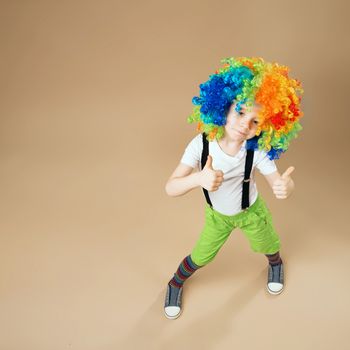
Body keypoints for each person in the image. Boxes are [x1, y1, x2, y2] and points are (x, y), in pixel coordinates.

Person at [163, 57, 304, 320]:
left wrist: (287, 186)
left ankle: (276, 264)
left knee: (269, 243)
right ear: (224, 107)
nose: (244, 125)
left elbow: (277, 182)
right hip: (217, 217)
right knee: (201, 256)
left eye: (255, 122)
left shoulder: (257, 150)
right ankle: (175, 282)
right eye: (240, 112)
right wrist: (198, 180)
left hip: (252, 212)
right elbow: (170, 187)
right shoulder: (201, 145)